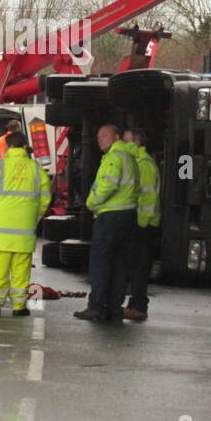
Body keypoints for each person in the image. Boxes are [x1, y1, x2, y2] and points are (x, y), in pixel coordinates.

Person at [0, 131, 51, 316]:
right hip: (24, 233)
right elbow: (45, 199)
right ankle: (19, 307)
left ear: (7, 146)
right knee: (21, 271)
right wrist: (34, 217)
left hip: (0, 232)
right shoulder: (36, 169)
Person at [74, 124, 139, 323]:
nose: (99, 139)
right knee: (119, 264)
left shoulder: (113, 158)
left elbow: (108, 184)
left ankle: (96, 307)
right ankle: (114, 308)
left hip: (110, 216)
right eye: (98, 136)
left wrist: (91, 202)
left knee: (100, 262)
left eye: (104, 135)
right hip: (127, 216)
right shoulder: (129, 157)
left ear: (116, 137)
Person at [121, 127, 159, 322]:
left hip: (143, 224)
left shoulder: (143, 164)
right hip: (141, 223)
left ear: (135, 144)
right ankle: (135, 305)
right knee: (136, 266)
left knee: (139, 267)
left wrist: (140, 223)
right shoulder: (139, 162)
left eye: (126, 142)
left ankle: (138, 306)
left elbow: (148, 197)